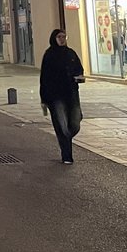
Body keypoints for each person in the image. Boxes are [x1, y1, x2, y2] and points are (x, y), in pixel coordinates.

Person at [39, 29, 84, 164]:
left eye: (64, 36)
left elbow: (79, 69)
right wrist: (44, 99)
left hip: (71, 93)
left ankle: (66, 140)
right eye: (59, 37)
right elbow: (44, 78)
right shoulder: (49, 55)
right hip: (55, 96)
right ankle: (67, 156)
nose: (62, 39)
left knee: (75, 123)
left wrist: (79, 77)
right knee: (62, 126)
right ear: (54, 38)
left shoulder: (71, 53)